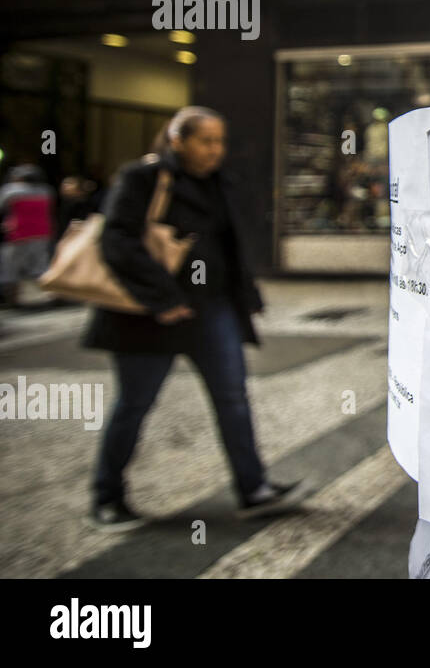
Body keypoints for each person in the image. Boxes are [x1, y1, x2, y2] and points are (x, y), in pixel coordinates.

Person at [84, 106, 309, 531]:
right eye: (206, 140)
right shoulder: (143, 178)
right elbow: (116, 241)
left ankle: (253, 489)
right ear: (176, 140)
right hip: (148, 315)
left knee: (233, 400)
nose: (215, 150)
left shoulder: (219, 183)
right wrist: (162, 298)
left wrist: (248, 294)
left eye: (220, 141)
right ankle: (107, 497)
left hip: (213, 311)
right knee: (133, 404)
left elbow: (229, 245)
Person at [0, 163, 55, 305]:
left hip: (18, 232)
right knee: (40, 266)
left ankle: (12, 299)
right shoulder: (46, 190)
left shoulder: (11, 190)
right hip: (42, 231)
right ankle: (53, 294)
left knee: (11, 267)